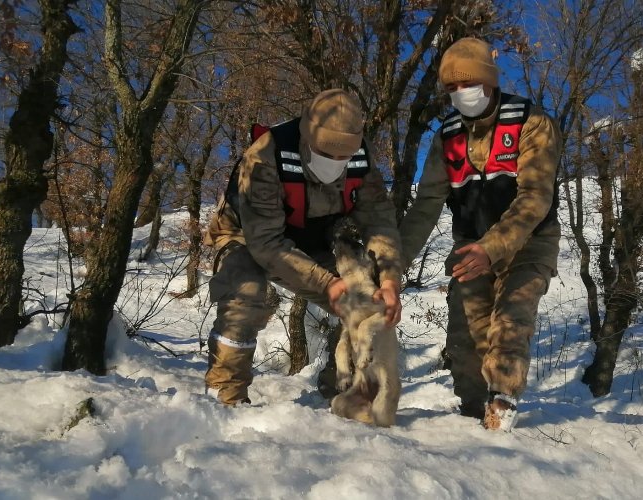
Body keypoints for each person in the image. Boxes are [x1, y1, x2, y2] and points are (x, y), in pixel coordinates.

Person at [399, 38, 562, 431]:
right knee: (466, 337)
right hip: (469, 245)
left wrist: (493, 248)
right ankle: (473, 415)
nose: (460, 93)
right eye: (451, 87)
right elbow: (427, 204)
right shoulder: (447, 135)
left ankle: (501, 408)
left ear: (489, 80)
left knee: (509, 324)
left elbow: (535, 197)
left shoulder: (531, 123)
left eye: (468, 83)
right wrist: (393, 264)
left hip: (527, 243)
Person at [203, 89, 402, 406]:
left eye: (343, 157)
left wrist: (390, 278)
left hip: (312, 235)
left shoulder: (362, 159)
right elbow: (266, 243)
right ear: (307, 137)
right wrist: (327, 284)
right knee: (248, 291)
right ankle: (225, 393)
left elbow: (379, 221)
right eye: (327, 153)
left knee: (366, 297)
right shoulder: (265, 156)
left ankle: (344, 387)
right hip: (248, 232)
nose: (336, 163)